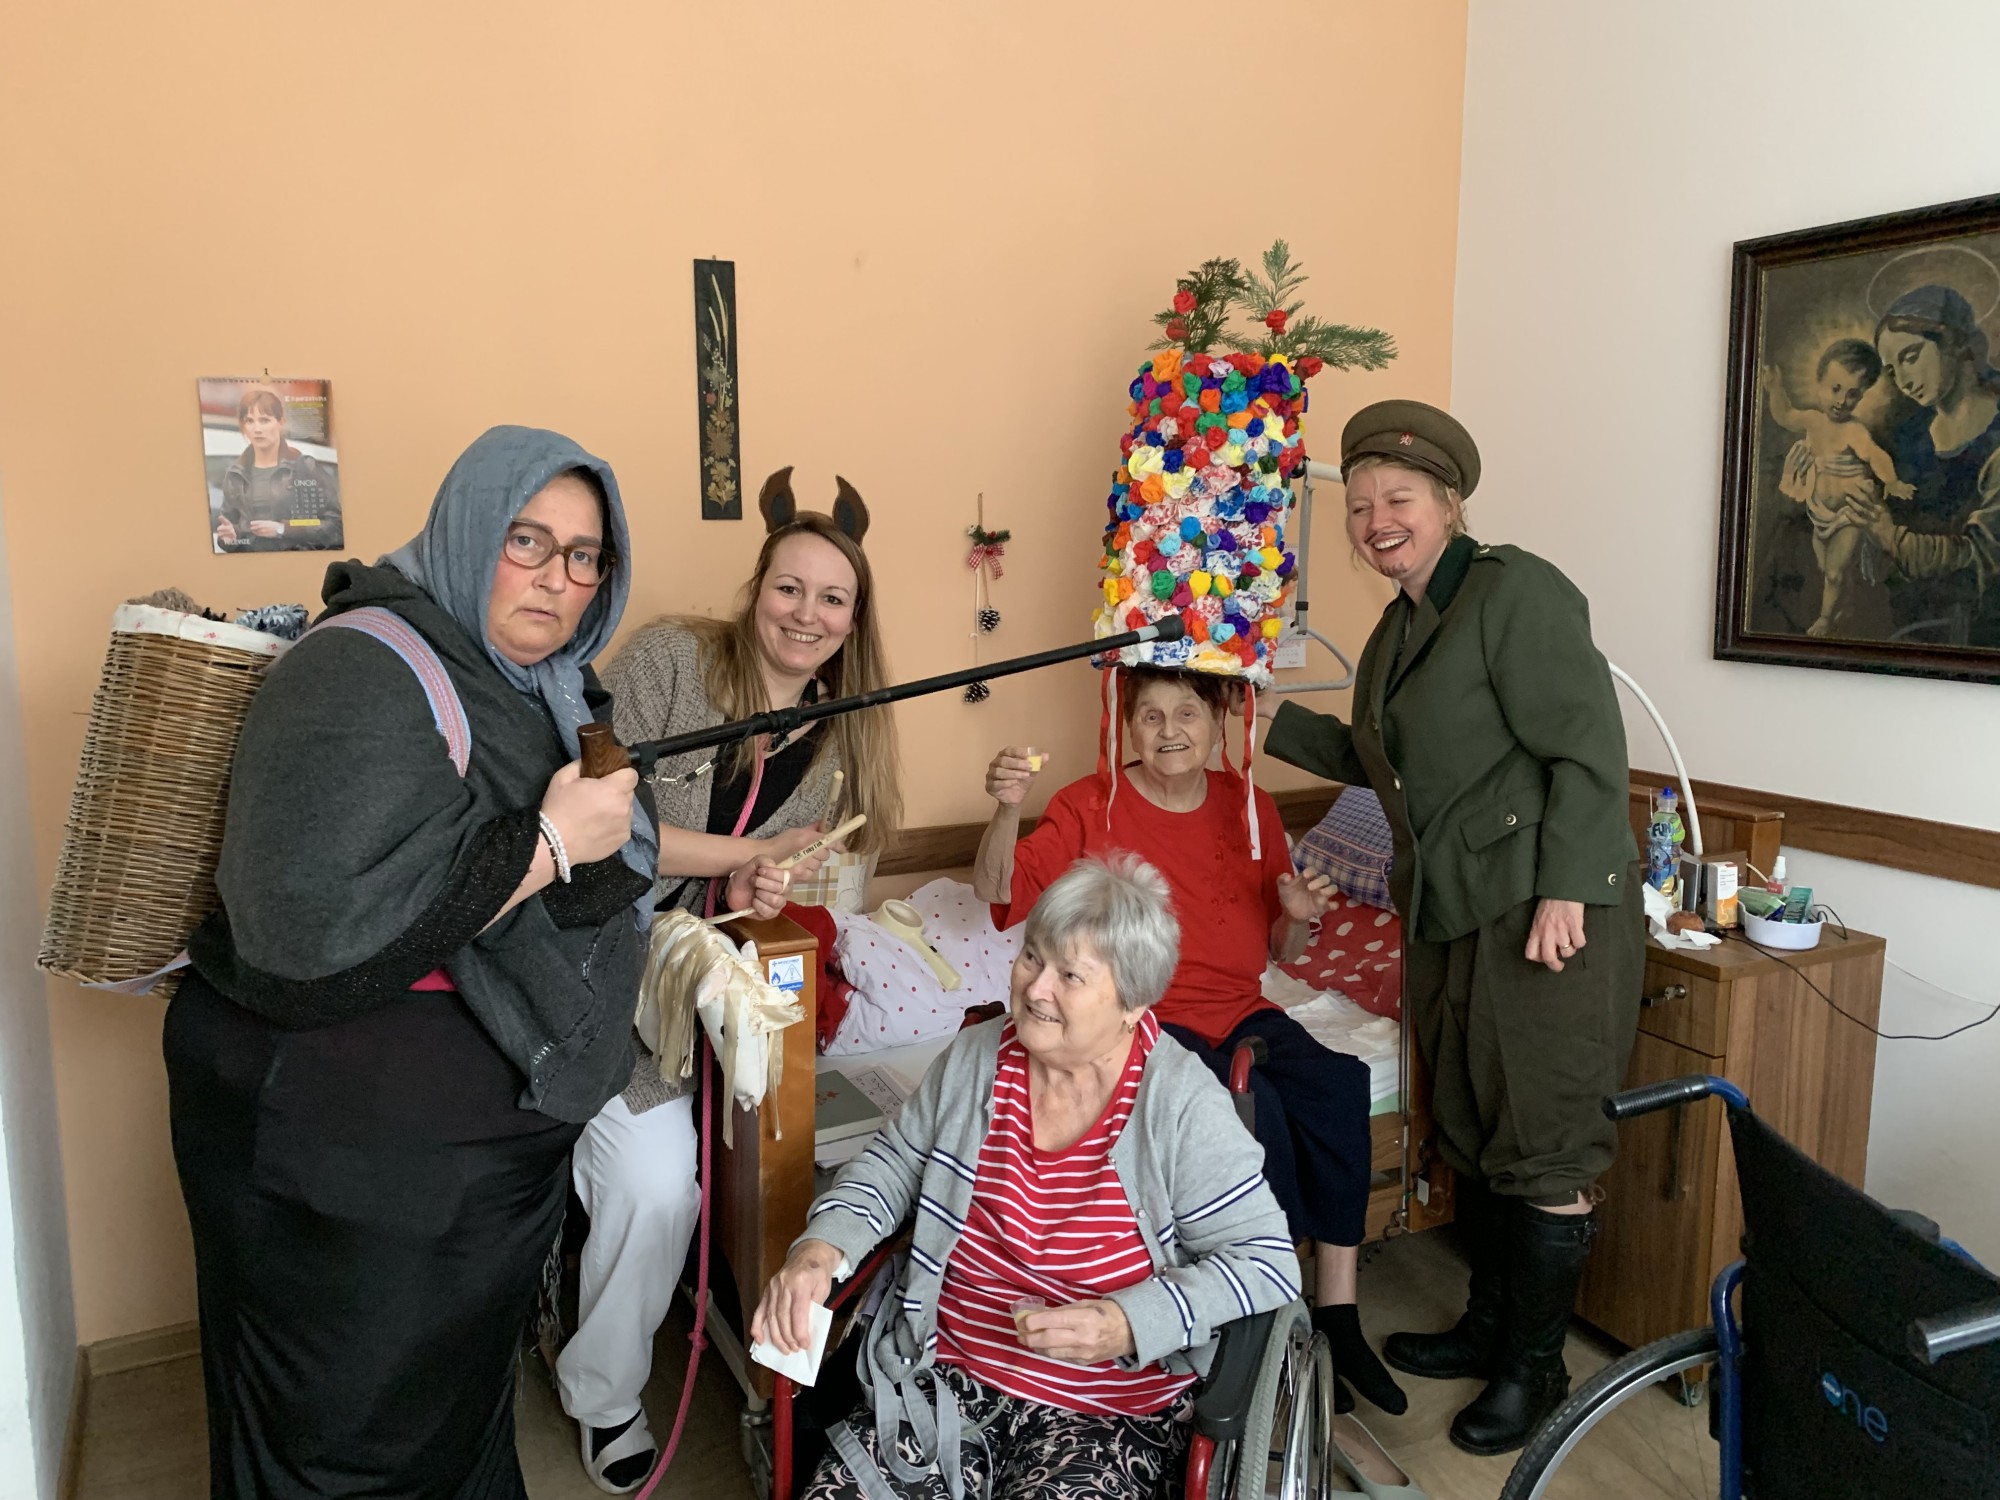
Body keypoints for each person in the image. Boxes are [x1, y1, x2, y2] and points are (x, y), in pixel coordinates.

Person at [164, 425, 652, 1500]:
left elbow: (586, 889)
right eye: (528, 540)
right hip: (343, 1168)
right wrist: (550, 840)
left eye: (584, 555)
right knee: (345, 1443)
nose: (557, 578)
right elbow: (307, 933)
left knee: (448, 1422)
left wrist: (584, 837)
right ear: (470, 530)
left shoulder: (548, 689)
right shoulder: (357, 668)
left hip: (460, 1174)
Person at [1260, 398, 1643, 1457]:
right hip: (1455, 915)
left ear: (1449, 504)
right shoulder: (1397, 629)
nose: (1376, 520)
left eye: (1400, 499)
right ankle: (1488, 1325)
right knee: (1475, 1127)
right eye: (1361, 505)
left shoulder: (1514, 591)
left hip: (1540, 912)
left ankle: (1534, 1370)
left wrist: (1567, 888)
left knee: (1545, 1145)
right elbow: (1381, 763)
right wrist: (1263, 718)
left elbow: (1587, 745)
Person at [753, 855, 1300, 1500]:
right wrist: (820, 1251)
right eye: (1032, 957)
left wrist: (1128, 1323)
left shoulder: (1180, 1104)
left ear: (1133, 1002)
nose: (1037, 989)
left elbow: (1267, 1263)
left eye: (1070, 975)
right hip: (945, 1378)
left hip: (1108, 1412)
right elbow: (893, 1164)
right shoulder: (977, 1056)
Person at [558, 467, 901, 1491]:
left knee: (758, 1167)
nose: (805, 613)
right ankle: (603, 1398)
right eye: (788, 587)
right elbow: (600, 818)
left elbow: (755, 890)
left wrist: (753, 887)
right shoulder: (669, 659)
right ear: (757, 589)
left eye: (831, 598)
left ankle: (768, 1363)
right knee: (654, 1185)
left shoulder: (834, 742)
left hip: (697, 991)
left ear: (852, 621)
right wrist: (739, 859)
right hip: (590, 983)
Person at [973, 667, 1404, 1416]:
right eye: (1150, 716)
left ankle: (1338, 1312)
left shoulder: (1251, 805)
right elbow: (996, 892)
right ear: (1128, 727)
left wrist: (1295, 913)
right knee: (1255, 1113)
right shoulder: (1089, 803)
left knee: (1338, 1084)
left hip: (1240, 1007)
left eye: (1187, 714)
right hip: (1142, 1017)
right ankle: (1267, 1323)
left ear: (1217, 723)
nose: (1169, 731)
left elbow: (1284, 951)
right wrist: (1007, 809)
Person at [1849, 284, 2000, 646]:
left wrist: (1890, 537)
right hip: (1912, 630)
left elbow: (1985, 558)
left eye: (1911, 357)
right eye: (1891, 369)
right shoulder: (1910, 435)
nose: (1902, 382)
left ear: (1952, 341)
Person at [1761, 340, 1912, 637]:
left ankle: (1825, 619)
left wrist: (1892, 481)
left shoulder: (1854, 430)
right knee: (1825, 567)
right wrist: (1775, 389)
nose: (1842, 400)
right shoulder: (1812, 420)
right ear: (1819, 383)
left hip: (1847, 514)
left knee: (1833, 572)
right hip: (1819, 513)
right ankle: (1845, 599)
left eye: (1852, 394)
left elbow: (1875, 455)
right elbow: (1784, 415)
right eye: (1836, 389)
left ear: (1862, 396)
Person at [213, 384, 343, 552]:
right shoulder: (235, 474)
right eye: (249, 421)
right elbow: (232, 531)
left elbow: (335, 524)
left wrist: (283, 529)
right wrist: (228, 538)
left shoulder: (304, 466)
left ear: (281, 422)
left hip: (297, 561)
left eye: (264, 420)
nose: (257, 429)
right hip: (250, 563)